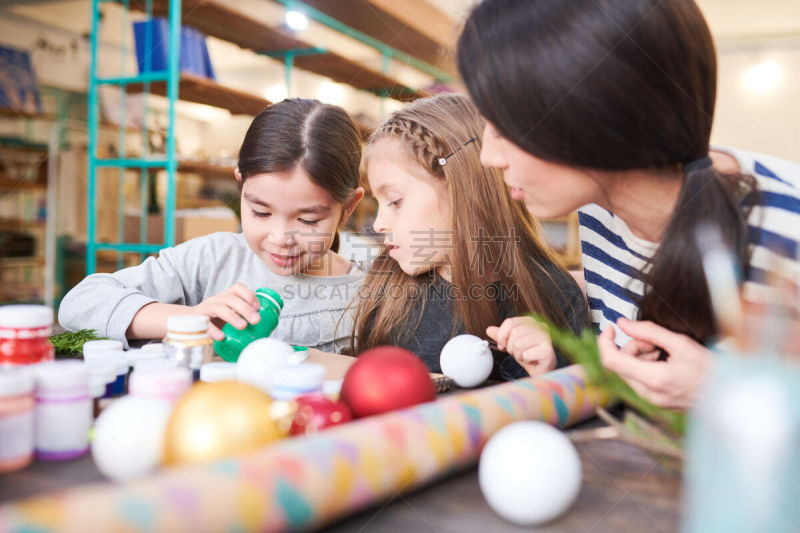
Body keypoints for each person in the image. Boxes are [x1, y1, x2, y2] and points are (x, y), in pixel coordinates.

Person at [458, 0, 800, 408]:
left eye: (505, 127)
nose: (487, 157)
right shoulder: (599, 207)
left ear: (593, 120)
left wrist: (724, 391)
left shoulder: (785, 226)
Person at [60, 98, 366, 352]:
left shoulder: (368, 295)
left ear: (348, 207)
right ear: (240, 186)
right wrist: (189, 317)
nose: (280, 238)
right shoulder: (212, 259)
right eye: (260, 211)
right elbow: (79, 303)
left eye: (307, 220)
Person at [350, 93, 588, 379]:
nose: (378, 224)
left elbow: (579, 407)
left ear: (461, 190)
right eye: (377, 203)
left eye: (395, 201)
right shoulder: (388, 288)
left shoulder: (553, 296)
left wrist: (548, 371)